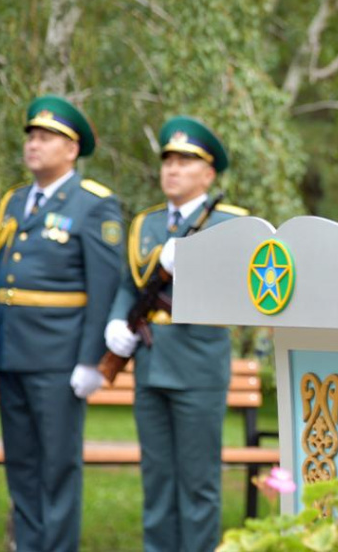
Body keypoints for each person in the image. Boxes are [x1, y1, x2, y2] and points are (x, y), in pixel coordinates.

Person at [104, 116, 247, 552]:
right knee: (158, 481)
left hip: (198, 364)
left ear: (209, 174)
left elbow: (243, 292)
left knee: (199, 485)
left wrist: (195, 267)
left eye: (186, 161)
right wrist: (116, 321)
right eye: (168, 159)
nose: (173, 169)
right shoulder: (145, 225)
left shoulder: (231, 223)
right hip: (150, 365)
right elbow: (130, 284)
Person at [0, 95, 124, 552]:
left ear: (71, 150)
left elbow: (104, 289)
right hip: (12, 353)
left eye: (45, 137)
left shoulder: (94, 205)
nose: (33, 144)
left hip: (59, 359)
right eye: (31, 135)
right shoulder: (13, 201)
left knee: (57, 469)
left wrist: (92, 362)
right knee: (22, 467)